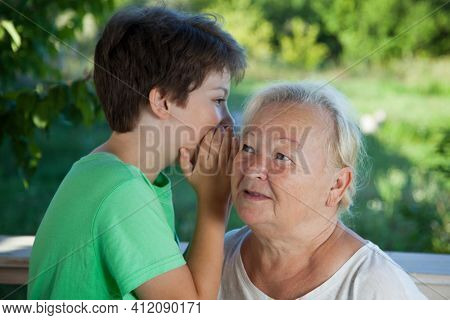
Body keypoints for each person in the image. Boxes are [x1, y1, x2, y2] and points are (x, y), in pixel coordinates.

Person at [28, 6, 246, 299]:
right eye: (218, 99)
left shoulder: (99, 171)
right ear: (163, 101)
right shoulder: (124, 193)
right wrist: (214, 204)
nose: (229, 121)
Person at [219, 82, 426, 299]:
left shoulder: (376, 287)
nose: (252, 169)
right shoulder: (219, 257)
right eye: (248, 148)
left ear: (337, 185)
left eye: (281, 157)